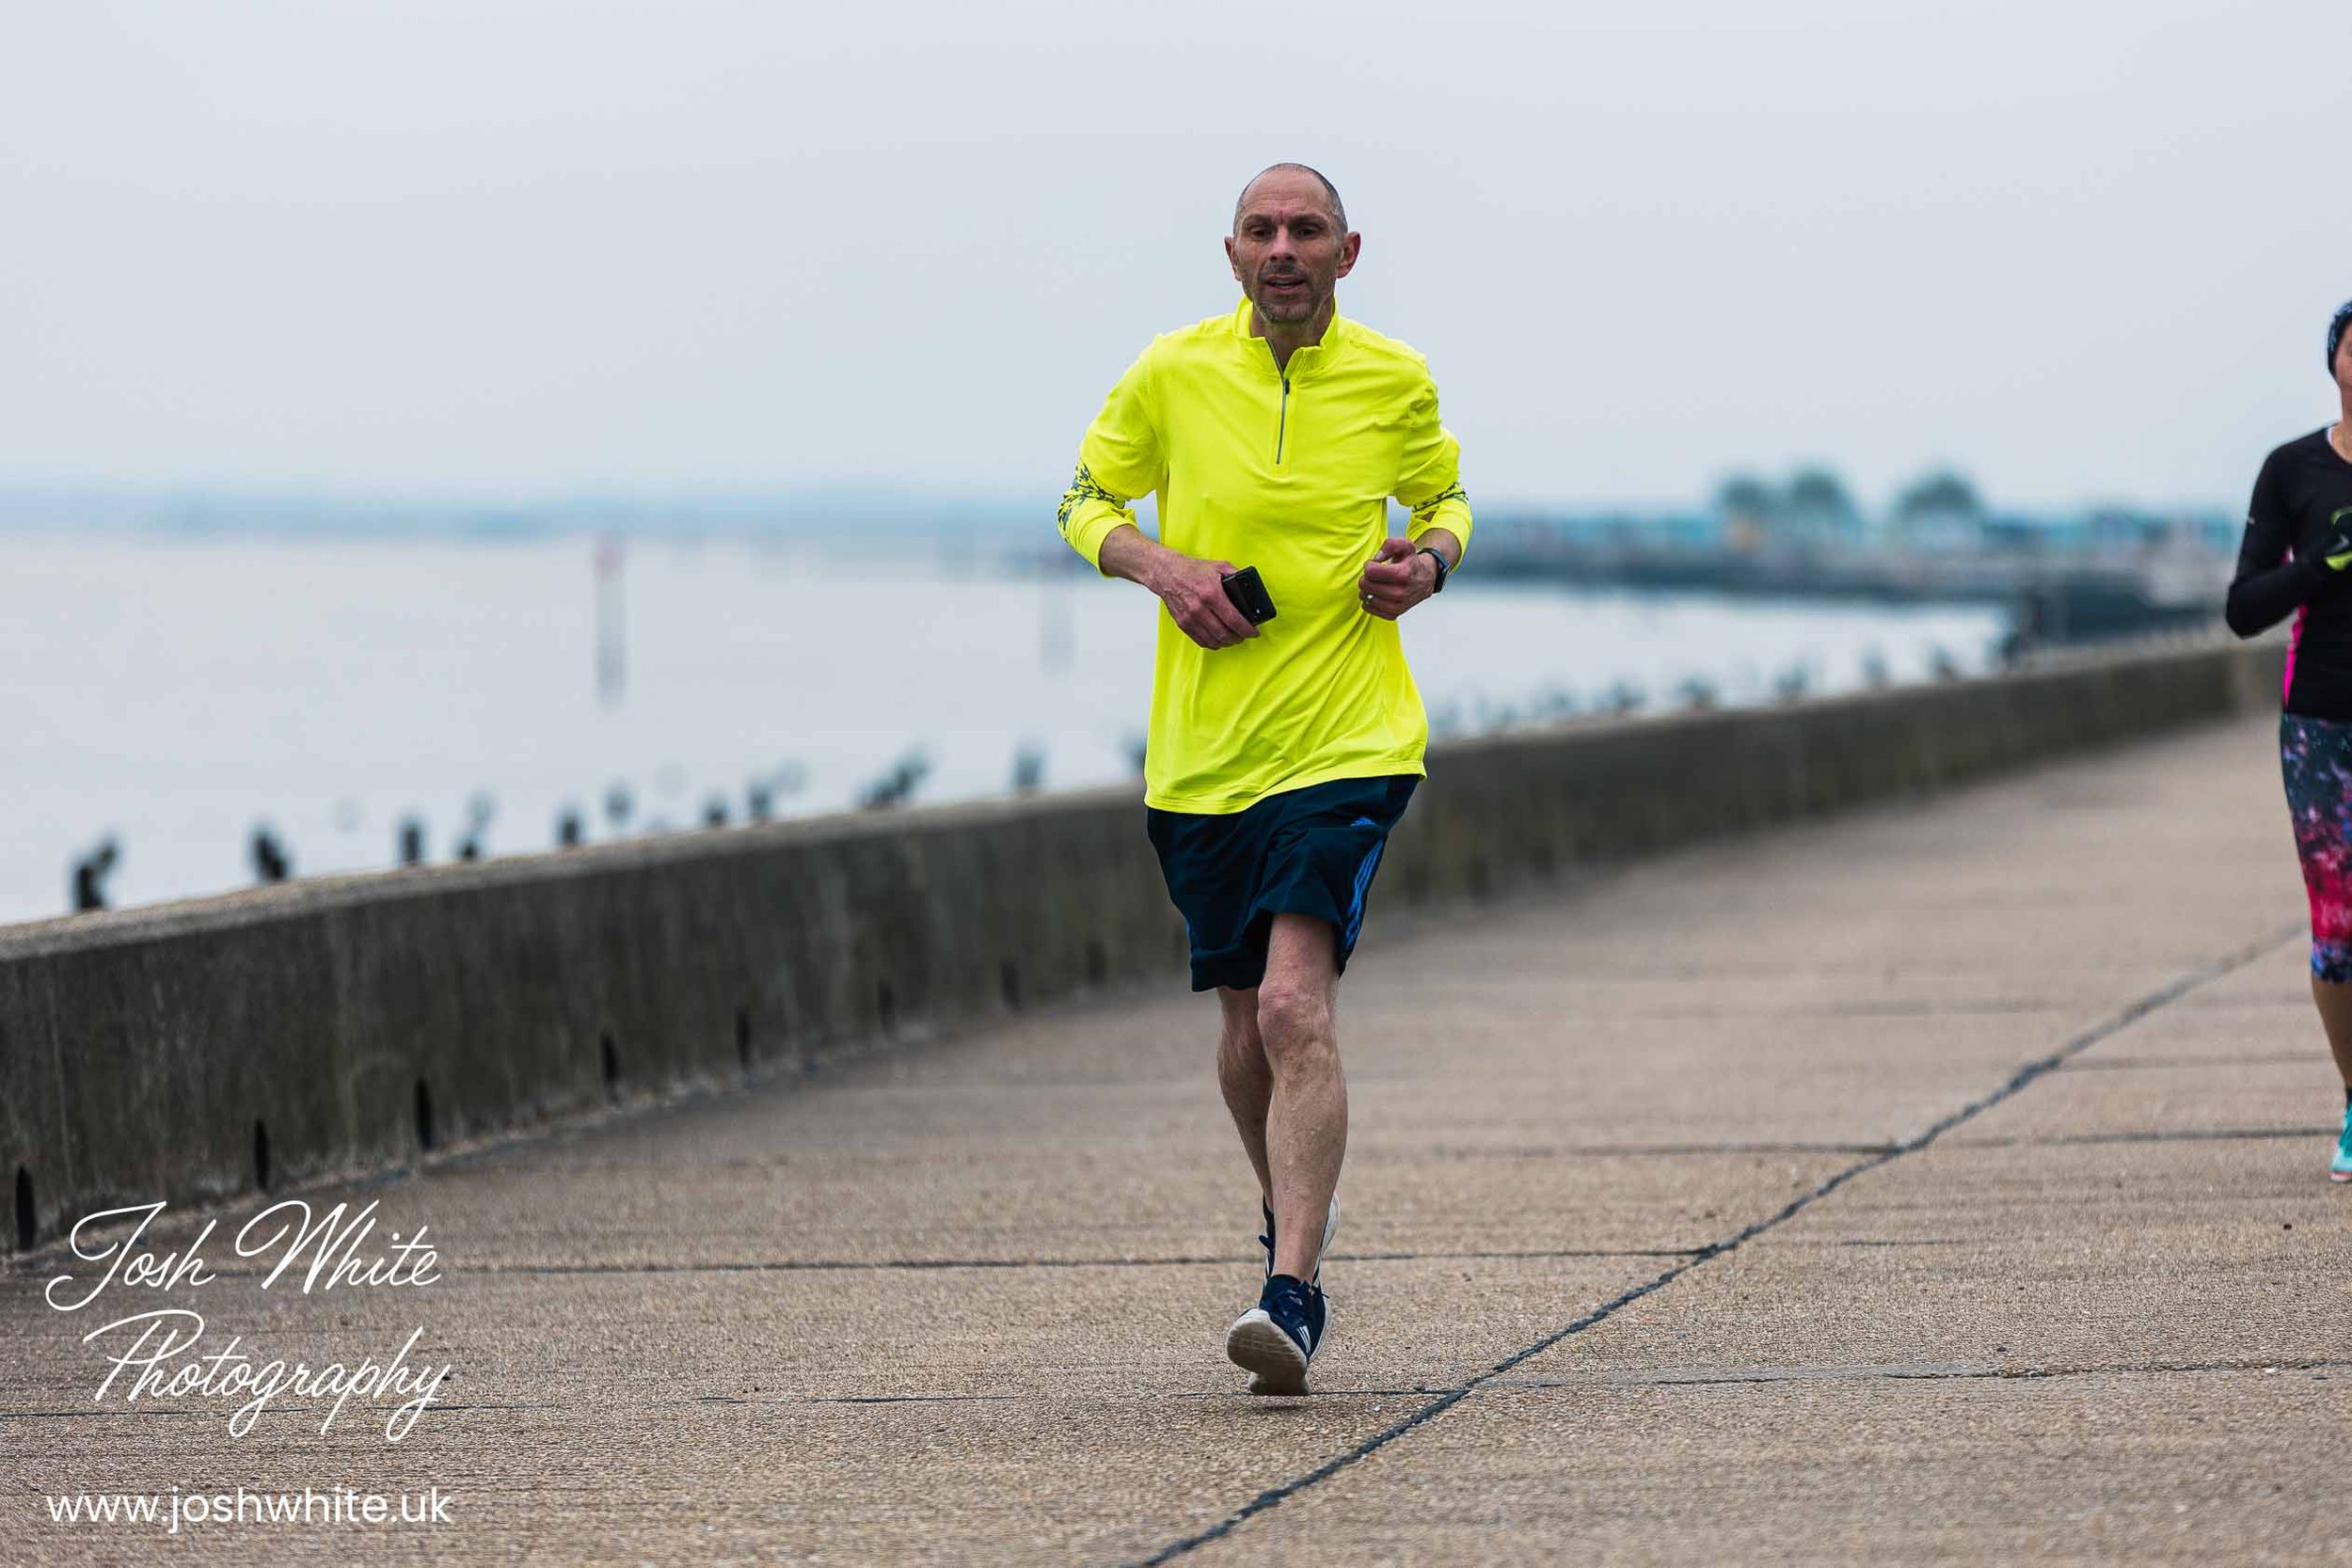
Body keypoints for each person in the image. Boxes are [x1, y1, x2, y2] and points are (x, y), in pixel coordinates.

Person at [1056, 164, 1470, 1392]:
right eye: (1261, 229)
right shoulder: (1170, 374)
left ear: (1349, 252)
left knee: (1295, 1005)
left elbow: (1443, 498)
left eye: (1307, 229)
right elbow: (1083, 500)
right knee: (1244, 1022)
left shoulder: (1395, 378)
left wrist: (1426, 566)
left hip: (1350, 738)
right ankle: (1295, 1206)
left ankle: (1292, 1289)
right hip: (1202, 758)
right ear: (1230, 252)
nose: (1282, 246)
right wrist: (1164, 567)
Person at [2225, 297, 2352, 1182]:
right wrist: (2320, 565)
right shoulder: (2292, 471)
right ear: (2336, 363)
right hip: (2320, 729)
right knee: (2339, 935)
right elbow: (2242, 608)